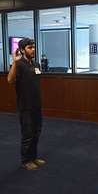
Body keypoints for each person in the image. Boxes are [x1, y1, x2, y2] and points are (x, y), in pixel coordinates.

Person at [7, 38, 46, 170]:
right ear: (22, 50)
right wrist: (14, 62)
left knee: (36, 132)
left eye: (34, 47)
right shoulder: (19, 64)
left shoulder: (36, 65)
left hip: (37, 105)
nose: (33, 49)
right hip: (25, 106)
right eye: (30, 47)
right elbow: (10, 80)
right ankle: (25, 161)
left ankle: (33, 157)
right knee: (27, 134)